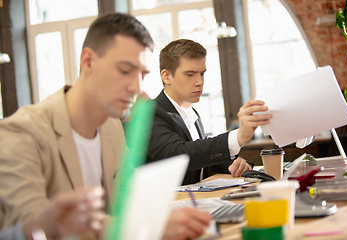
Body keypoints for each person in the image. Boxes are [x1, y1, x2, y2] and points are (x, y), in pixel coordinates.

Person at [0, 14, 210, 240]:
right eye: (124, 70)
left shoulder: (111, 127)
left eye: (142, 74)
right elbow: (28, 226)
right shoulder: (21, 134)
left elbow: (126, 200)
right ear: (88, 61)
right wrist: (149, 226)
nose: (136, 87)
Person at [146, 39, 272, 184]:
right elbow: (177, 154)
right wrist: (237, 136)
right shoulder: (150, 112)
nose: (200, 81)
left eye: (202, 73)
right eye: (190, 74)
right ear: (166, 76)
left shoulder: (192, 114)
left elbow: (200, 160)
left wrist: (231, 165)